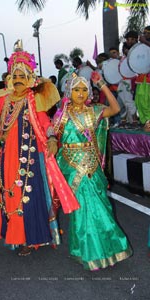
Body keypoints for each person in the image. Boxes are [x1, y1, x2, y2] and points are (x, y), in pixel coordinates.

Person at [0, 46, 79, 256]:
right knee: (9, 195)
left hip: (29, 159)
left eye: (22, 75)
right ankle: (15, 236)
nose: (18, 79)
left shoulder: (33, 99)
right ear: (10, 78)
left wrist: (52, 136)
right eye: (15, 75)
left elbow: (45, 121)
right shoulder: (5, 99)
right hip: (7, 159)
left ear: (29, 77)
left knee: (27, 197)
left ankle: (30, 239)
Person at [54, 71, 132, 271]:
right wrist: (52, 140)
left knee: (100, 207)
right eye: (76, 89)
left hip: (92, 166)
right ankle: (87, 252)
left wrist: (102, 84)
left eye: (84, 89)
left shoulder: (95, 111)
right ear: (68, 92)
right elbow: (52, 134)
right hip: (71, 166)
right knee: (81, 211)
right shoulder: (62, 114)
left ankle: (109, 248)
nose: (80, 93)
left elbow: (115, 108)